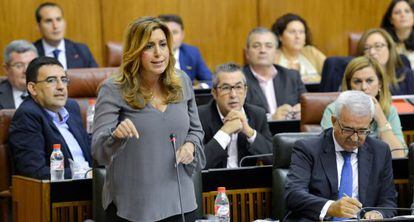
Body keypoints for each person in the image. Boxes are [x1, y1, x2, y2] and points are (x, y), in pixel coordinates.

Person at [92, 17, 205, 221]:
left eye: (163, 44)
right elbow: (99, 151)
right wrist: (116, 135)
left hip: (181, 202)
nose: (158, 53)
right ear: (135, 51)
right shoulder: (113, 89)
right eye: (149, 46)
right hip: (134, 207)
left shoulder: (182, 82)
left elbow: (196, 131)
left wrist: (190, 146)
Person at [285, 90, 397, 221]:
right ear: (333, 121)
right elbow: (293, 195)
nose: (355, 138)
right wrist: (331, 207)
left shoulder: (380, 151)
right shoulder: (307, 149)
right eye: (348, 130)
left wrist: (378, 214)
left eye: (362, 131)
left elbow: (388, 202)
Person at [9, 56, 92, 180]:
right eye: (51, 80)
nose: (60, 86)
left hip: (94, 184)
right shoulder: (27, 115)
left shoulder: (71, 107)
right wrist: (84, 174)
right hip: (63, 193)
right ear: (32, 88)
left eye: (63, 80)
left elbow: (89, 149)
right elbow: (34, 172)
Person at [321, 56, 406, 157]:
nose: (364, 87)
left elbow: (398, 155)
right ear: (349, 86)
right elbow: (330, 152)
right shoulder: (334, 110)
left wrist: (381, 118)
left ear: (380, 84)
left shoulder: (388, 111)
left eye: (369, 81)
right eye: (357, 81)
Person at [198, 62, 272, 169]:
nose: (233, 95)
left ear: (245, 91)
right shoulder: (200, 117)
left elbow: (274, 158)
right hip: (212, 183)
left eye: (238, 87)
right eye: (226, 88)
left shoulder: (257, 114)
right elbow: (198, 164)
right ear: (214, 93)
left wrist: (249, 132)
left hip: (248, 183)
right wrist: (224, 132)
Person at [243, 27, 307, 121]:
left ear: (276, 52)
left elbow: (308, 106)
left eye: (268, 46)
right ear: (247, 53)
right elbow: (237, 117)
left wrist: (303, 111)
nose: (263, 50)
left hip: (291, 133)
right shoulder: (238, 80)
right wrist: (271, 118)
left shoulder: (291, 77)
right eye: (256, 46)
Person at [33, 2, 98, 69]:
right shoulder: (31, 53)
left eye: (58, 19)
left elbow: (96, 76)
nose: (55, 26)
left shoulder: (81, 50)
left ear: (64, 22)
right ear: (38, 26)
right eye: (48, 21)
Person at [356, 28, 414, 95]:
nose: (372, 52)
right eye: (366, 48)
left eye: (378, 46)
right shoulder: (356, 79)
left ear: (389, 48)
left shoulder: (406, 76)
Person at [271, 13, 326, 83]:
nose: (297, 36)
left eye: (301, 32)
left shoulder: (311, 52)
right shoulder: (272, 56)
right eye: (292, 32)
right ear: (280, 37)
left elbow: (330, 74)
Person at [158, 14, 212, 85]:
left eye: (174, 32)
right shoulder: (152, 55)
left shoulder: (192, 53)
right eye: (166, 32)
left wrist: (198, 88)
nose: (170, 37)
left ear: (182, 34)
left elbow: (210, 80)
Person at [1, 40, 37, 109]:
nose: (26, 71)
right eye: (19, 65)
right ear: (6, 69)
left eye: (31, 64)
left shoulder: (49, 92)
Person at [381, 0, 414, 67]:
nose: (402, 15)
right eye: (397, 12)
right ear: (391, 19)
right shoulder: (383, 41)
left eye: (407, 11)